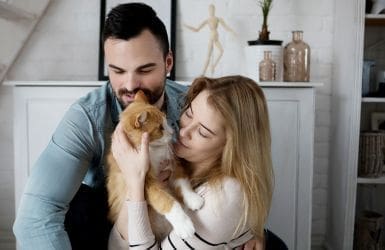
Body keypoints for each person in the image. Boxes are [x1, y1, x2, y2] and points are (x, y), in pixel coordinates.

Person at [12, 3, 263, 250]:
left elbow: (239, 157)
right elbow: (34, 219)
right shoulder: (86, 118)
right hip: (110, 223)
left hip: (178, 216)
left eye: (144, 69)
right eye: (118, 71)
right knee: (80, 203)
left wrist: (250, 227)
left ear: (168, 62)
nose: (131, 85)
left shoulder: (192, 105)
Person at [108, 75, 274, 249]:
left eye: (203, 132)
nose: (182, 132)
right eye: (188, 113)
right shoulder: (181, 157)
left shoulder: (226, 196)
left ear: (232, 146)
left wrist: (135, 184)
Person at [184, 4, 236, 75]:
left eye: (213, 9)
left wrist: (233, 31)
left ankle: (213, 66)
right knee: (208, 56)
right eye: (210, 9)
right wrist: (187, 26)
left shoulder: (218, 19)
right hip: (212, 37)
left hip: (215, 37)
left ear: (214, 10)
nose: (211, 11)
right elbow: (197, 29)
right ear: (209, 11)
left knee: (221, 51)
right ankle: (203, 73)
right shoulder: (208, 20)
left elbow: (226, 27)